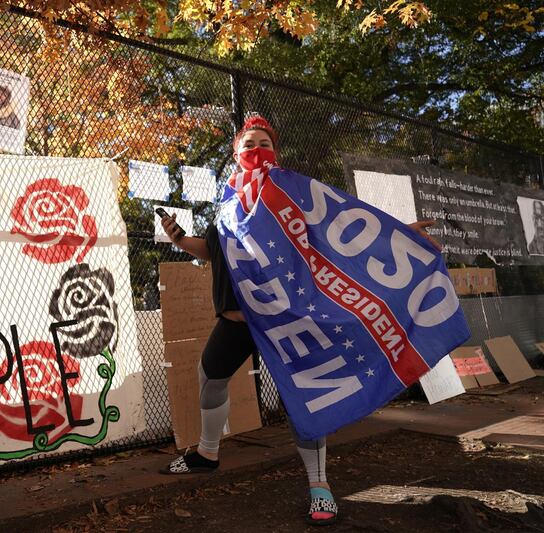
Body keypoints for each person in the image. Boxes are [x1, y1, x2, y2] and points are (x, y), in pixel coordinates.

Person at [158, 115, 441, 526]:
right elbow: (215, 253)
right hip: (238, 321)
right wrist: (181, 240)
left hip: (286, 319)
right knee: (210, 375)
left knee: (305, 398)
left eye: (264, 143)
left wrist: (397, 234)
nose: (256, 149)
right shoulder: (226, 206)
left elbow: (340, 228)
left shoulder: (292, 192)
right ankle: (207, 454)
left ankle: (320, 486)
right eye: (248, 144)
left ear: (276, 152)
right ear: (236, 155)